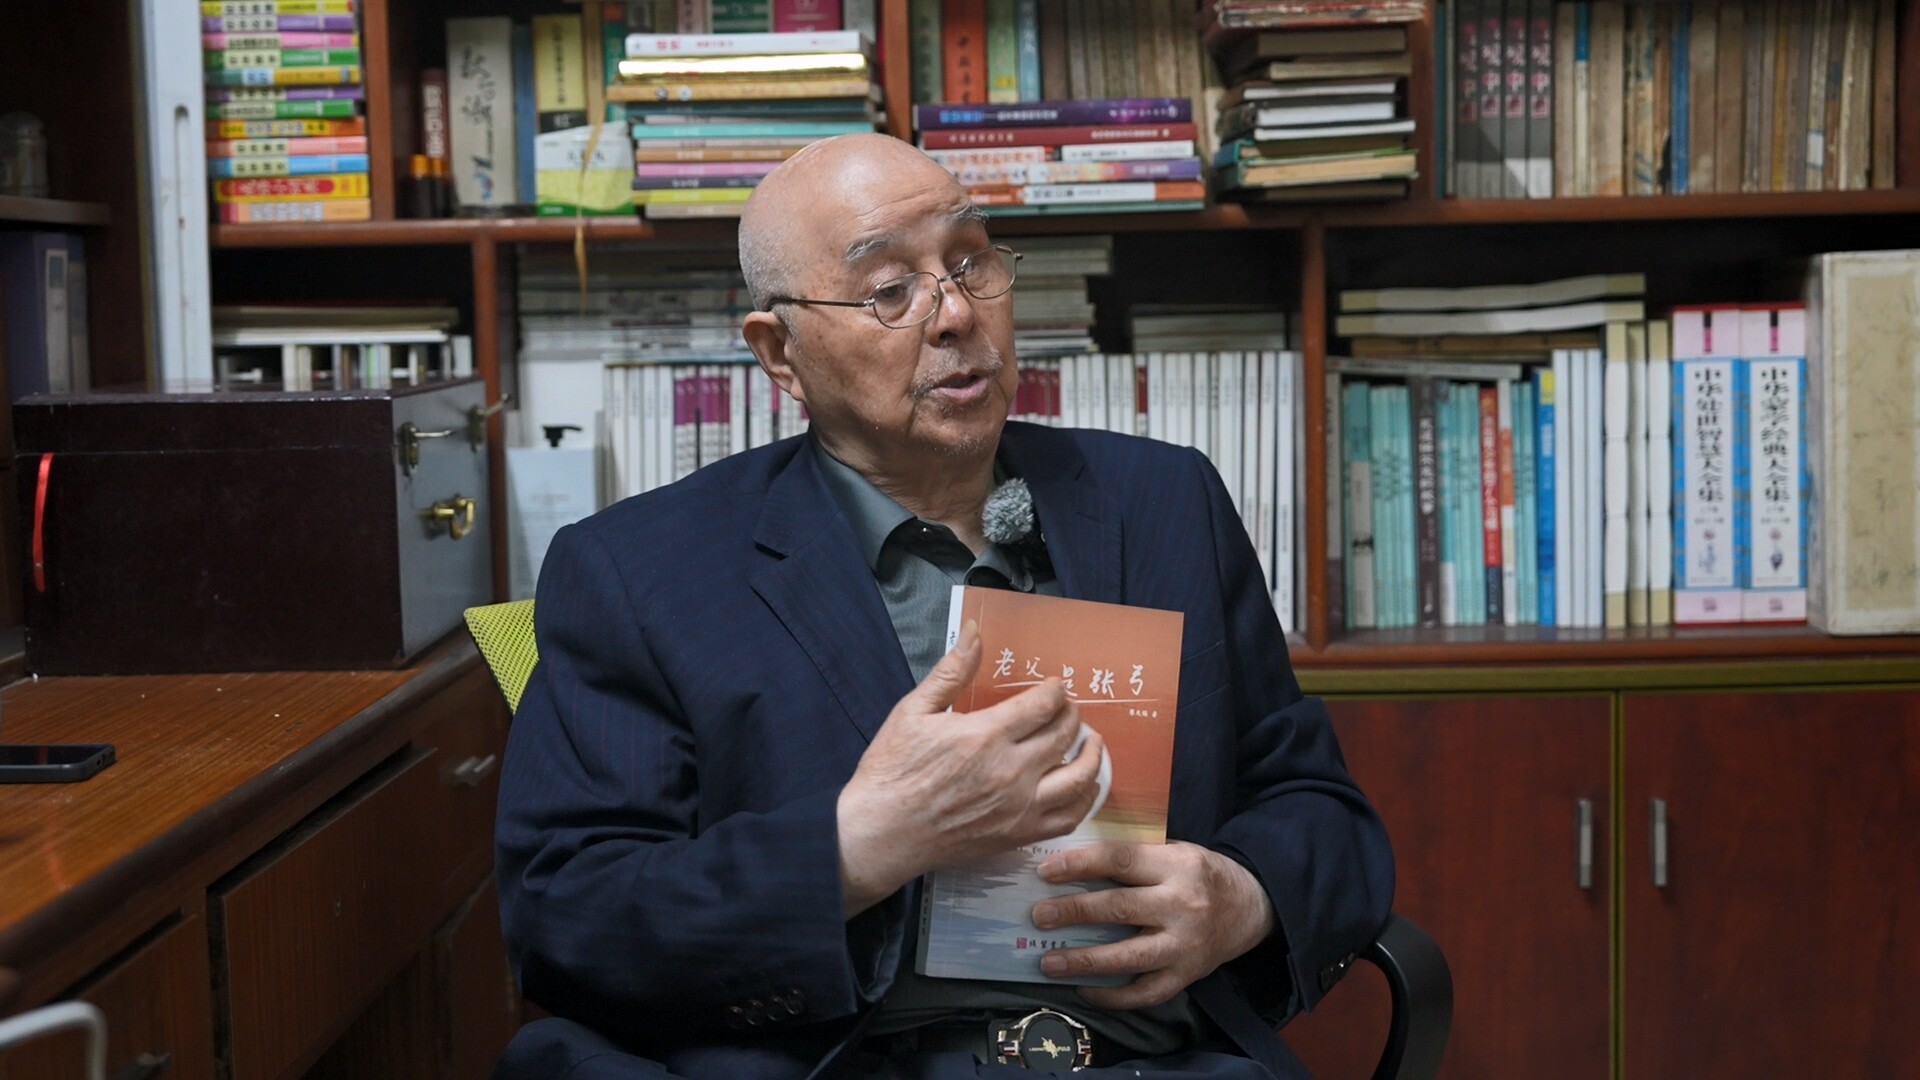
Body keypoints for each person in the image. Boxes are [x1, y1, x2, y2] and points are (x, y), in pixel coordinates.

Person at [493, 133, 1393, 1080]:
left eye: (971, 263)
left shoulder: (1165, 501)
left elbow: (1317, 806)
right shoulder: (641, 570)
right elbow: (567, 915)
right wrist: (857, 844)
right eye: (890, 289)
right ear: (780, 353)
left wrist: (1240, 897)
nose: (957, 313)